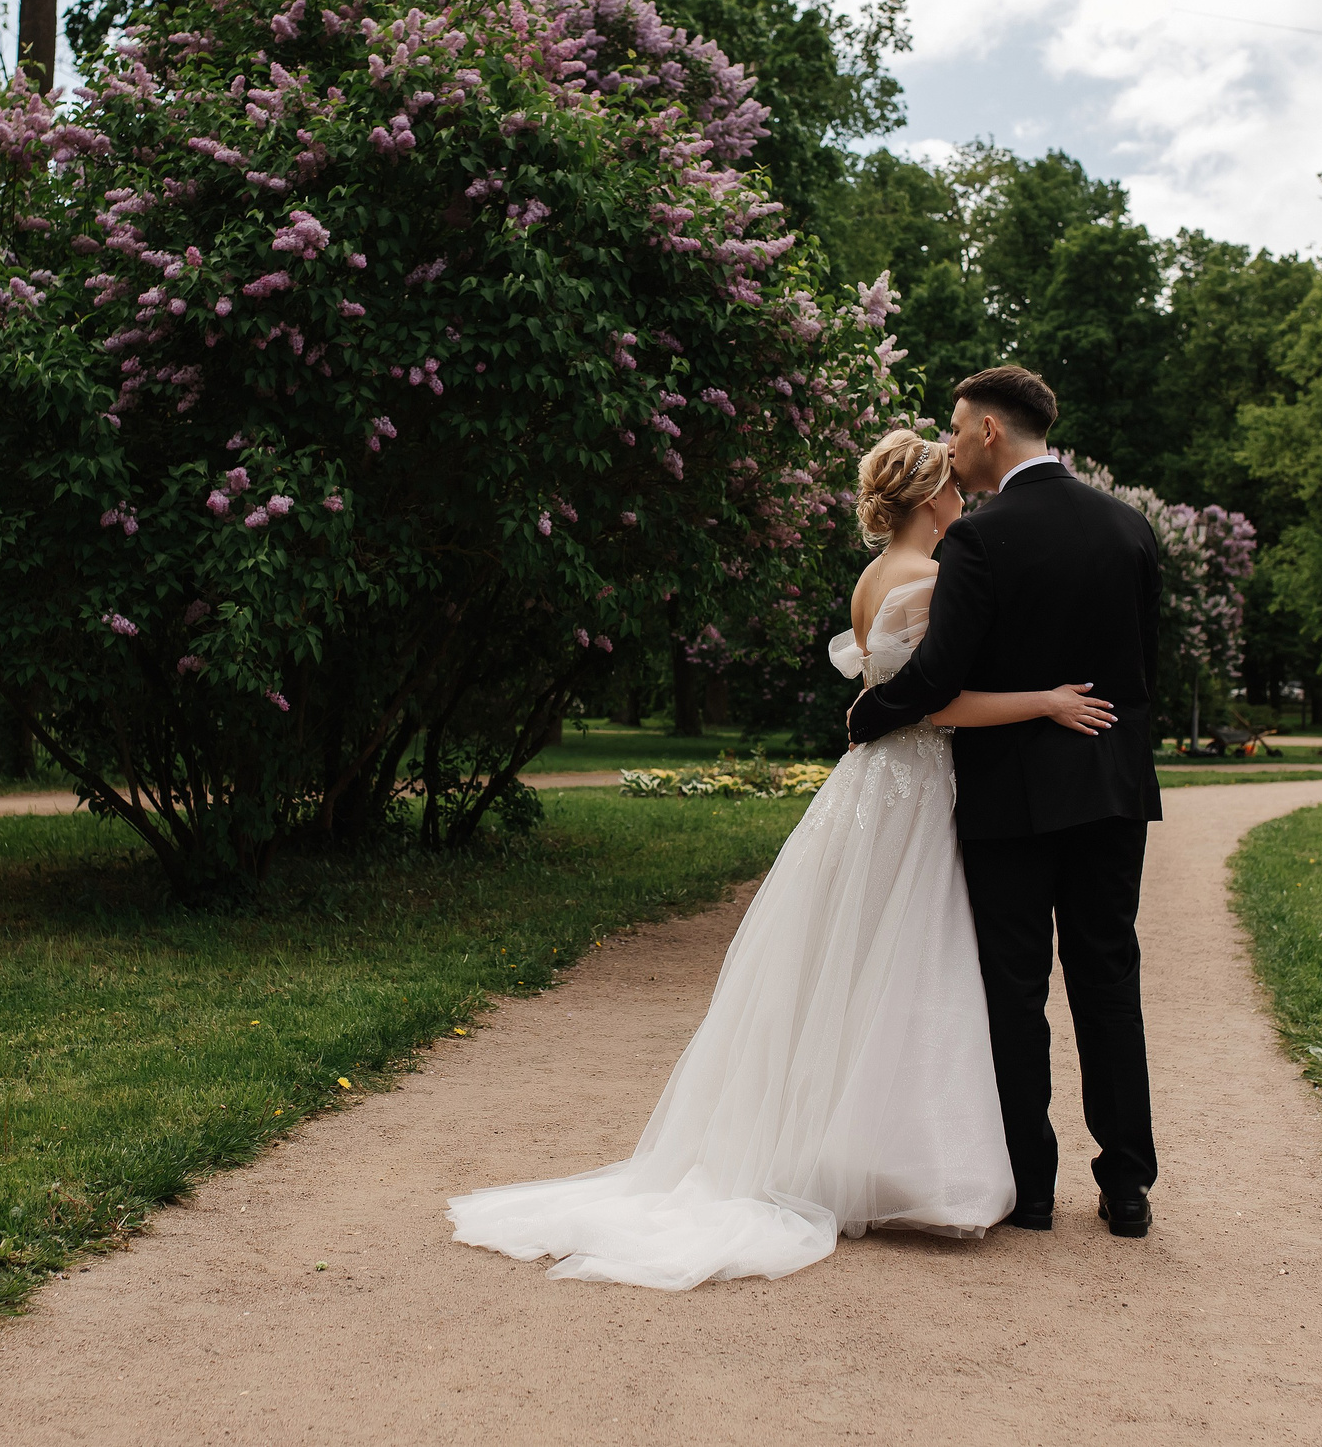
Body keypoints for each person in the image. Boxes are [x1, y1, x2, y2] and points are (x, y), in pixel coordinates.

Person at [445, 426, 1119, 1290]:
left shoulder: (873, 577)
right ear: (927, 499)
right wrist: (1047, 700)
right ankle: (897, 1162)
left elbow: (886, 690)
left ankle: (836, 1148)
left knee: (852, 964)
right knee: (906, 962)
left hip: (867, 783)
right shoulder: (932, 577)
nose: (965, 497)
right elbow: (937, 704)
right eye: (953, 486)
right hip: (911, 784)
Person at [845, 365, 1163, 1240]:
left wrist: (866, 712)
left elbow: (938, 677)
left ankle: (1030, 1189)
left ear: (990, 430)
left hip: (1009, 801)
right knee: (1108, 980)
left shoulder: (980, 543)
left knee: (1014, 993)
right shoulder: (1129, 527)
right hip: (1110, 791)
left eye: (955, 428)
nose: (951, 444)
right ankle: (1128, 1184)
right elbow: (1143, 674)